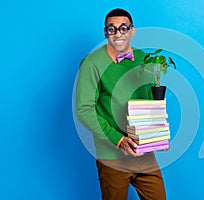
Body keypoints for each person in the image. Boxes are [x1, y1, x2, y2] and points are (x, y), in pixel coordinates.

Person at [75, 8, 166, 200]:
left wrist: (159, 136)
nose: (118, 34)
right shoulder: (92, 63)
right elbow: (84, 109)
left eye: (123, 28)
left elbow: (151, 103)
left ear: (132, 31)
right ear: (105, 32)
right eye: (112, 29)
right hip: (112, 157)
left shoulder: (145, 59)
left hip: (145, 155)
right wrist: (119, 140)